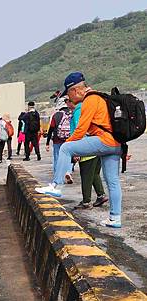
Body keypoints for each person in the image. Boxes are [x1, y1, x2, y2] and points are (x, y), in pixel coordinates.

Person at [36, 72, 123, 228]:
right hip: (116, 144)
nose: (68, 98)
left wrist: (67, 144)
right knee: (113, 182)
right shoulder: (100, 98)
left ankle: (57, 185)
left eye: (68, 94)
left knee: (65, 148)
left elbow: (81, 130)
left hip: (104, 140)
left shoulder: (90, 100)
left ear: (75, 91)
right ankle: (115, 218)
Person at [69, 99, 108, 210]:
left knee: (86, 175)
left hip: (86, 148)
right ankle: (101, 195)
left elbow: (79, 130)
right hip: (97, 145)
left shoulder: (78, 110)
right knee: (95, 173)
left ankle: (86, 201)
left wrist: (77, 150)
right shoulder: (90, 107)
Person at [45, 98, 72, 172]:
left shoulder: (56, 115)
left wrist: (47, 143)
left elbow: (51, 129)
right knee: (68, 156)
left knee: (57, 156)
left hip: (57, 139)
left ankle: (57, 173)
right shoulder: (72, 113)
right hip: (69, 139)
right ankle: (68, 172)